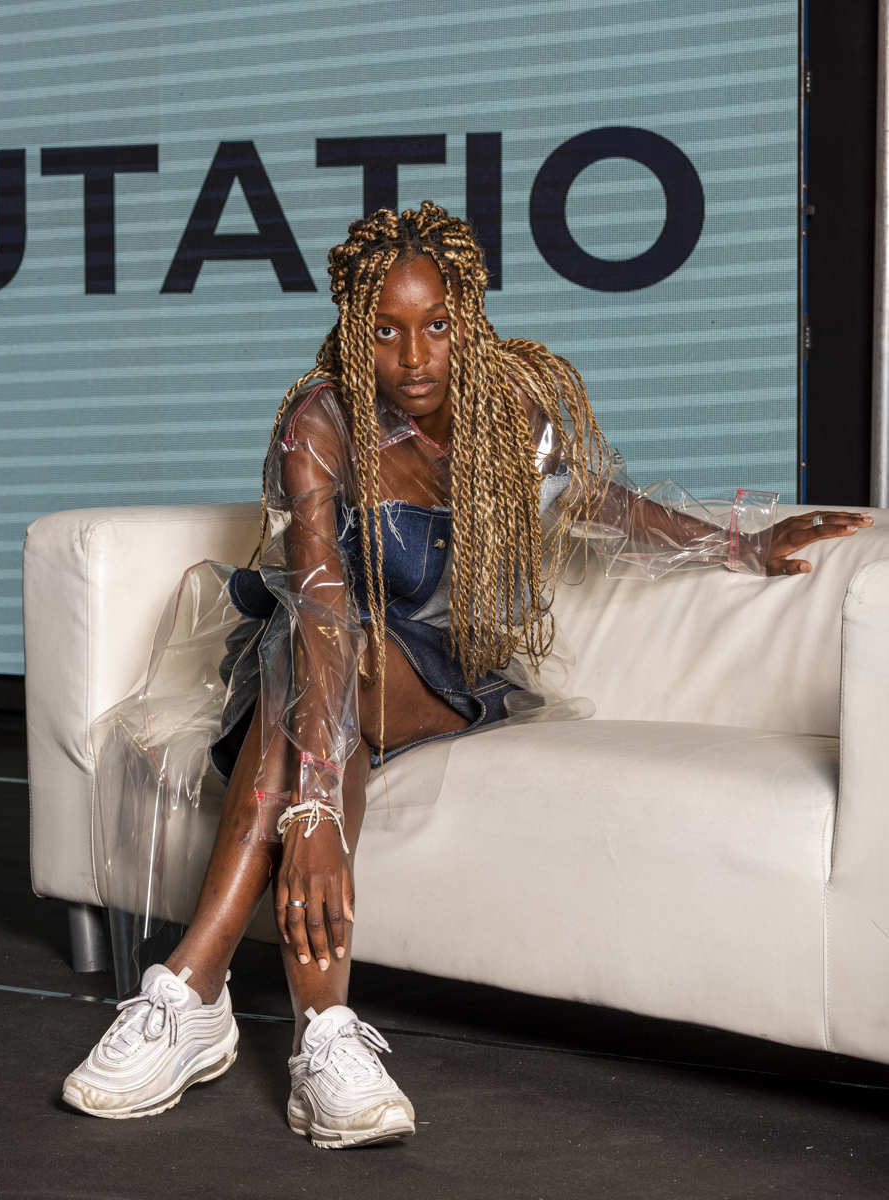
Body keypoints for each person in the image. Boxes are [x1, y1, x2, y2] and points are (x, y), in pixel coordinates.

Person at [61, 202, 872, 1146]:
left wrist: (740, 543)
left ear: (469, 317)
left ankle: (192, 988)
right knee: (309, 650)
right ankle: (321, 1033)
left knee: (336, 664)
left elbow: (602, 504)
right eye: (386, 331)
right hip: (323, 659)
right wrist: (315, 807)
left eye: (437, 324)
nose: (415, 357)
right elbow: (321, 615)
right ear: (353, 331)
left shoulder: (509, 408)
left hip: (445, 677)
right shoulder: (320, 423)